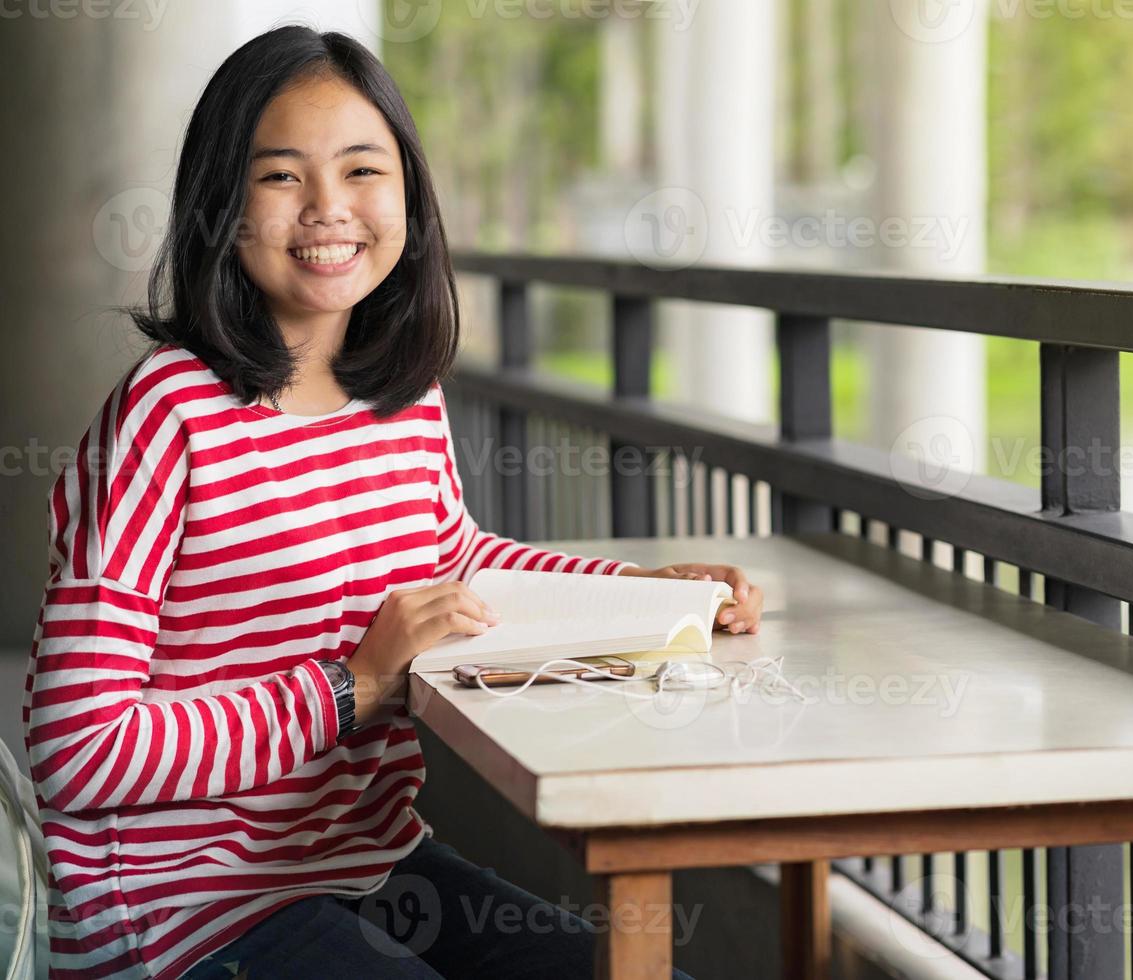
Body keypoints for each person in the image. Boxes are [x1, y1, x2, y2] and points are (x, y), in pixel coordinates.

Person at [22, 24, 764, 979]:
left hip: (370, 861)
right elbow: (77, 749)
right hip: (182, 908)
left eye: (362, 169)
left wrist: (648, 592)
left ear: (407, 190)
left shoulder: (402, 395)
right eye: (281, 176)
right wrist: (354, 686)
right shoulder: (169, 413)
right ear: (221, 206)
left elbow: (454, 567)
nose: (329, 208)